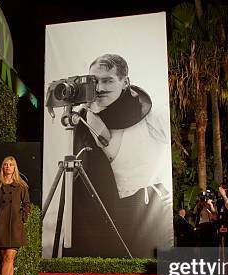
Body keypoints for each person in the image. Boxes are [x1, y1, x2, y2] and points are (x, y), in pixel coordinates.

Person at [66, 53, 173, 258]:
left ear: (125, 82)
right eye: (94, 81)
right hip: (114, 207)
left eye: (108, 81)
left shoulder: (152, 113)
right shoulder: (84, 115)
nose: (99, 88)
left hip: (150, 205)